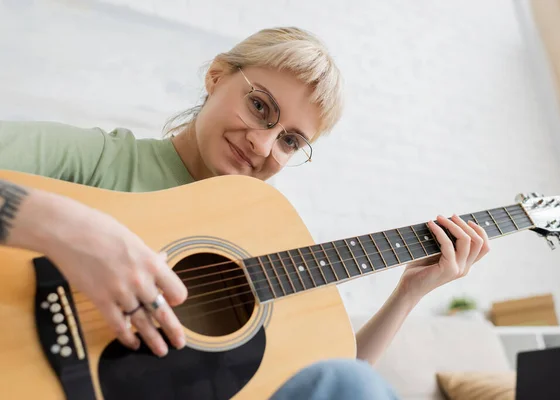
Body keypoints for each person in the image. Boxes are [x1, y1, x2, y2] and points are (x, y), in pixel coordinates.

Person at [0, 27, 489, 399]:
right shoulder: (94, 160)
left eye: (291, 141)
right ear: (216, 77)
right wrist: (69, 229)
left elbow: (324, 378)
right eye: (259, 107)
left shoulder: (266, 238)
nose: (262, 143)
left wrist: (407, 294)